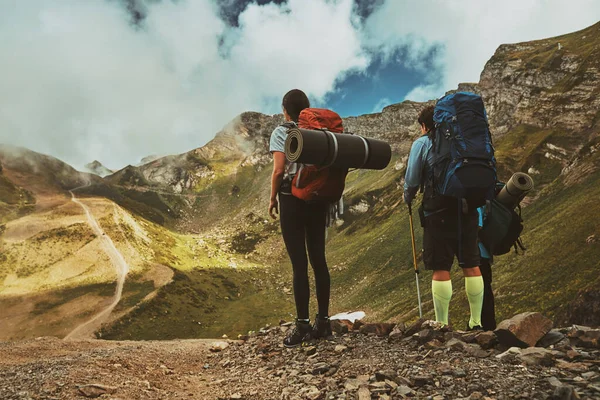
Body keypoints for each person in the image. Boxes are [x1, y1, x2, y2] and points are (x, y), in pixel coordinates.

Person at [403, 105, 485, 330]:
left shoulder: (422, 143)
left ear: (424, 125)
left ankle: (442, 324)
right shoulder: (464, 139)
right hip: (468, 209)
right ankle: (476, 322)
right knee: (471, 264)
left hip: (437, 212)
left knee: (441, 267)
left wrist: (407, 198)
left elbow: (411, 180)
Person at [268, 89, 332, 347]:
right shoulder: (317, 132)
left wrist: (272, 199)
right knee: (319, 259)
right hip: (317, 199)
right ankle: (324, 322)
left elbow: (278, 170)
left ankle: (302, 325)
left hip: (291, 200)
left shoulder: (281, 132)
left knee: (299, 264)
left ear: (285, 109)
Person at [477, 207, 496, 331]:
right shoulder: (482, 197)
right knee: (485, 287)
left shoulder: (475, 200)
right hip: (484, 251)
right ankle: (488, 323)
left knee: (481, 288)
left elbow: (477, 225)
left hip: (477, 251)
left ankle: (483, 325)